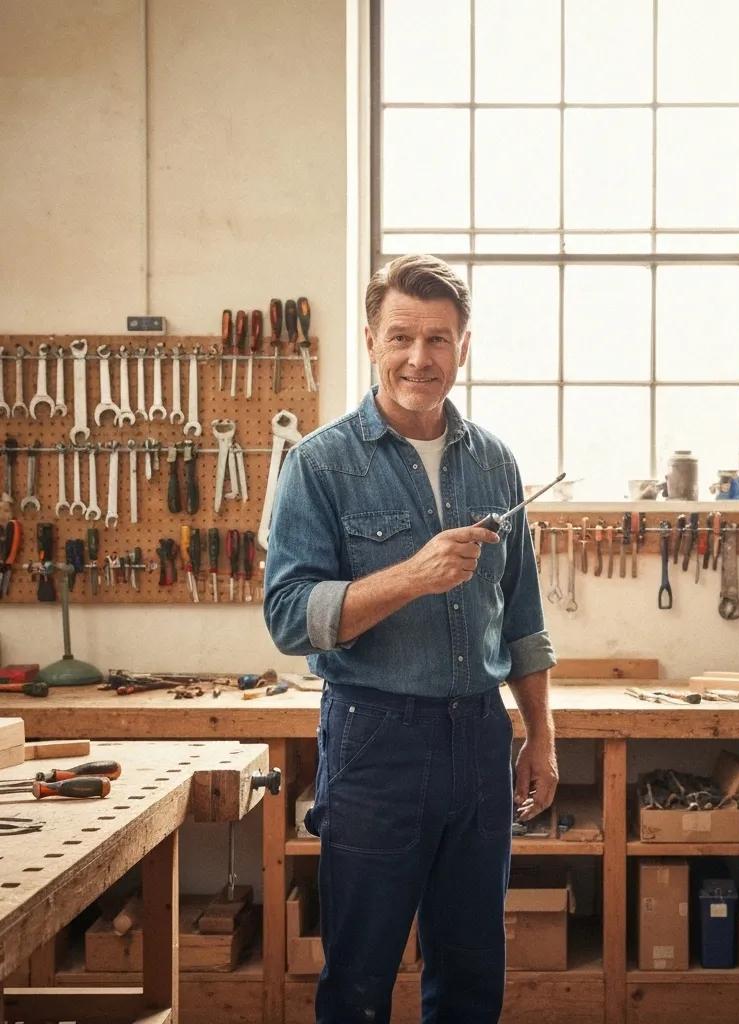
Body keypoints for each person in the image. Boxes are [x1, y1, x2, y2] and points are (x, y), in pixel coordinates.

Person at [263, 254, 558, 1024]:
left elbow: (522, 615)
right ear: (370, 340)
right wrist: (412, 575)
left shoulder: (495, 461)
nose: (418, 359)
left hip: (479, 739)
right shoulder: (320, 465)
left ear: (465, 346)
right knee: (359, 978)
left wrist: (542, 736)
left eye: (438, 339)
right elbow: (290, 616)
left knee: (469, 976)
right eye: (401, 337)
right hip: (374, 740)